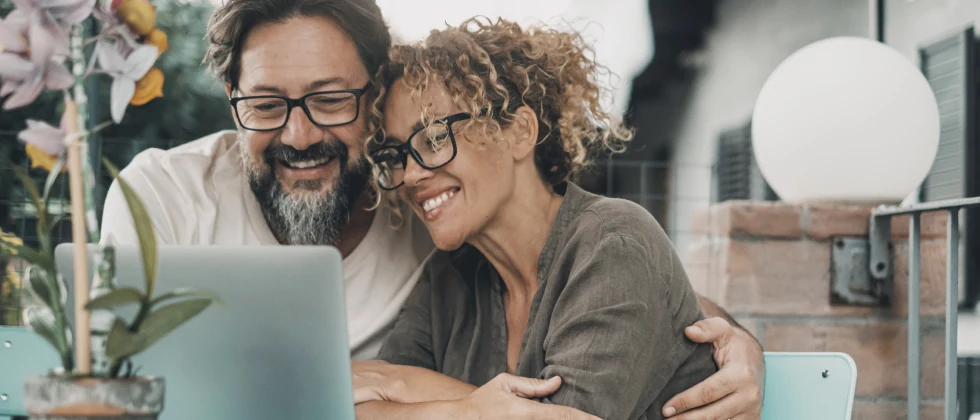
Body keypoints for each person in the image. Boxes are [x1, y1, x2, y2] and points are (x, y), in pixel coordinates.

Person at [99, 0, 764, 418]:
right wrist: (471, 409)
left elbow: (636, 286)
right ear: (231, 97)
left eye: (329, 100)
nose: (299, 135)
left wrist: (742, 342)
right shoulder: (452, 260)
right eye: (267, 104)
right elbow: (349, 401)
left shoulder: (444, 223)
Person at [353, 17, 717, 420]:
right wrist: (465, 407)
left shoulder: (613, 241)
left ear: (520, 132)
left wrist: (402, 384)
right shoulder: (448, 278)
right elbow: (354, 404)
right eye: (397, 155)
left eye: (435, 137)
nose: (410, 175)